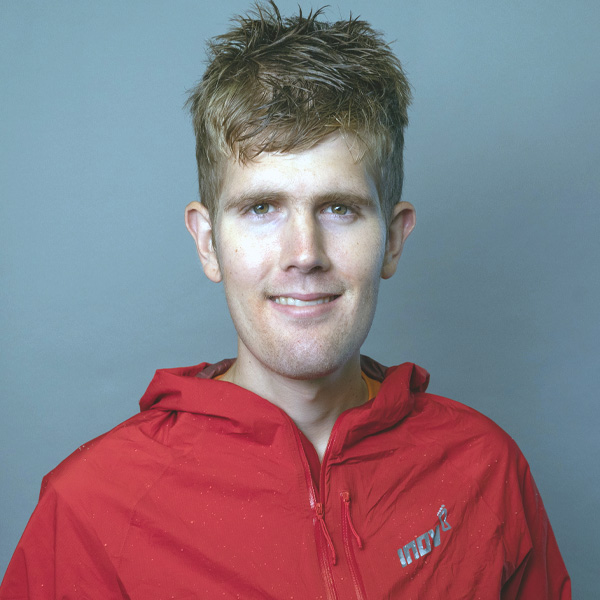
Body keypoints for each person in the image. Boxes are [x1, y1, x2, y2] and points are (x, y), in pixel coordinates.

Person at [0, 2, 570, 598]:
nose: (304, 253)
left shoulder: (485, 469)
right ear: (208, 243)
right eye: (261, 208)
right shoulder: (92, 506)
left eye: (340, 208)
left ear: (394, 240)